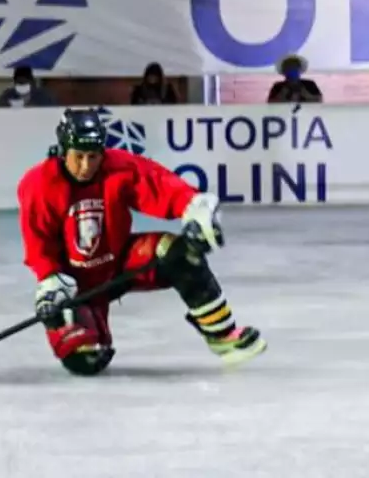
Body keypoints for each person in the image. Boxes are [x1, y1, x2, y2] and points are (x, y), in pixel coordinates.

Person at [17, 108, 265, 376]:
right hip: (75, 284)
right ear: (63, 150)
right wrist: (50, 283)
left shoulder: (119, 166)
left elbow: (161, 186)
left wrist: (195, 210)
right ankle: (91, 329)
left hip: (119, 265)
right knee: (86, 362)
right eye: (79, 157)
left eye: (93, 156)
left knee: (180, 254)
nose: (86, 166)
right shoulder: (38, 185)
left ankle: (223, 336)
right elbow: (38, 244)